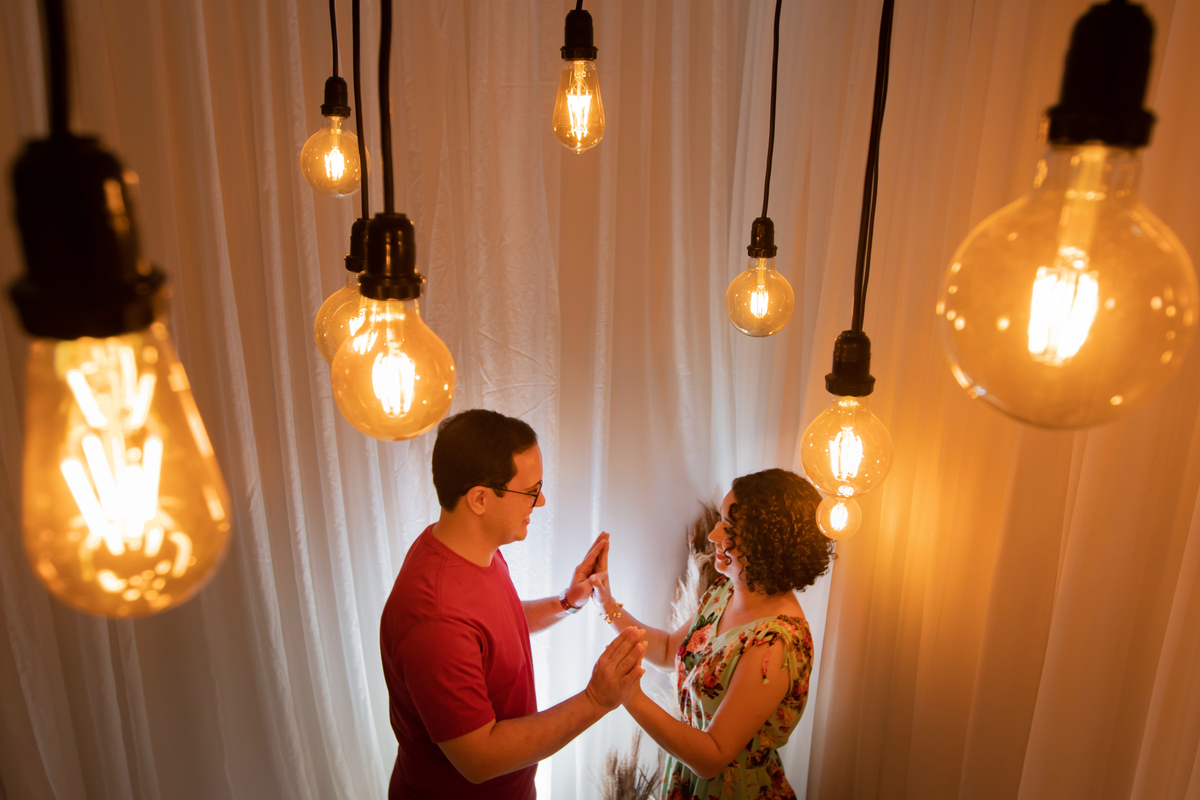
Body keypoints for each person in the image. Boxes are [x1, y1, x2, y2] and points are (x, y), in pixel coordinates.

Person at [380, 409, 647, 800]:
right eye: (531, 490)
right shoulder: (434, 618)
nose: (540, 503)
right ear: (481, 499)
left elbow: (492, 626)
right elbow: (480, 758)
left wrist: (567, 601)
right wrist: (596, 700)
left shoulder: (472, 550)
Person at [589, 469, 833, 799]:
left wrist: (629, 696)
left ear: (767, 544)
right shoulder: (725, 592)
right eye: (720, 520)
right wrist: (605, 602)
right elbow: (666, 651)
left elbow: (712, 757)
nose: (715, 535)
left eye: (729, 528)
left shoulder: (775, 644)